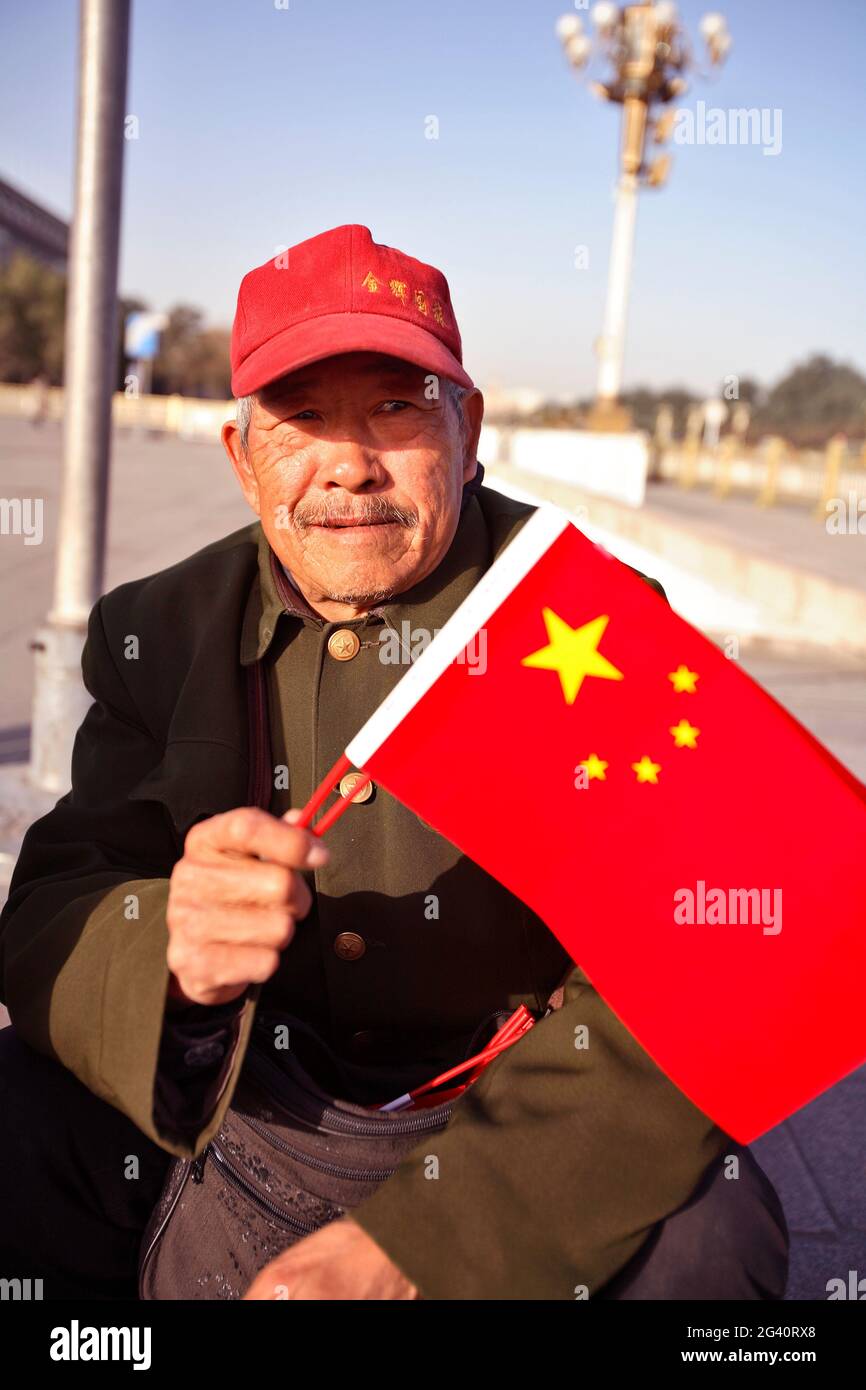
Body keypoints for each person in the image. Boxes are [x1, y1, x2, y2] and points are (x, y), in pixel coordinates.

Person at [0, 224, 788, 1300]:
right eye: (300, 417)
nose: (348, 463)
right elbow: (57, 897)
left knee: (712, 1236)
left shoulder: (594, 627)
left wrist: (428, 1242)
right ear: (242, 460)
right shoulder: (157, 627)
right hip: (245, 1100)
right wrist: (165, 957)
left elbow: (709, 941)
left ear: (468, 435)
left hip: (517, 1111)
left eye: (395, 405)